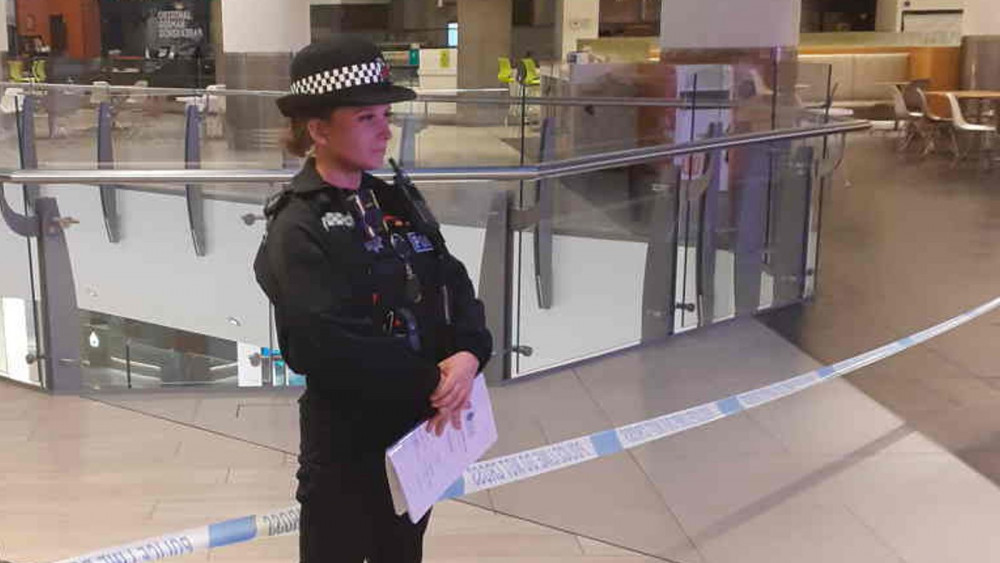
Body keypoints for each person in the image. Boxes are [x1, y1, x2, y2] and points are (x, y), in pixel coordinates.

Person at [253, 37, 493, 563]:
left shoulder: (392, 200)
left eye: (386, 114)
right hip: (348, 447)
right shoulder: (299, 224)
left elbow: (450, 281)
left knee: (403, 553)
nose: (386, 128)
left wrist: (471, 352)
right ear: (318, 129)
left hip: (415, 437)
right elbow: (325, 341)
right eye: (366, 117)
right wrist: (434, 381)